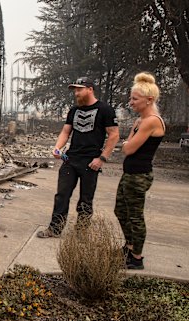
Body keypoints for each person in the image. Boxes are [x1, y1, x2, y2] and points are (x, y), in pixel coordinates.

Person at [37, 77, 119, 238]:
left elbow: (114, 135)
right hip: (70, 159)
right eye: (74, 90)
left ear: (90, 89)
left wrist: (102, 158)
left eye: (79, 89)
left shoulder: (105, 110)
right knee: (62, 195)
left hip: (91, 161)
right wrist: (57, 148)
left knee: (85, 199)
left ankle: (81, 232)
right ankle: (55, 228)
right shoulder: (74, 110)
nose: (76, 93)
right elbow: (66, 131)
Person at [115, 72, 165, 270]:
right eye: (131, 98)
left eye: (135, 99)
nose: (131, 102)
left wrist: (127, 144)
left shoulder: (152, 121)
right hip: (129, 173)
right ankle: (129, 246)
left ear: (149, 100)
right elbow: (126, 145)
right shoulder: (139, 122)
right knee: (120, 210)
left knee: (135, 215)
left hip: (139, 175)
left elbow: (128, 148)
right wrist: (127, 144)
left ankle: (137, 257)